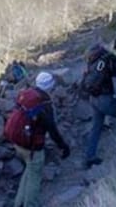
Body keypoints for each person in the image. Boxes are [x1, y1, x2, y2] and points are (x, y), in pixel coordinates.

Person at [12, 71, 70, 207]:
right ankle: (30, 204)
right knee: (34, 179)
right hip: (32, 148)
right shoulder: (44, 104)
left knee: (29, 171)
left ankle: (18, 203)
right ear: (49, 86)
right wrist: (63, 146)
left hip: (18, 143)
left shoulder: (26, 95)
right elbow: (52, 129)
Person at [83, 35, 116, 167]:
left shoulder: (100, 56)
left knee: (96, 126)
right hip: (105, 99)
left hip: (93, 97)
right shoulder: (115, 61)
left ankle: (89, 157)